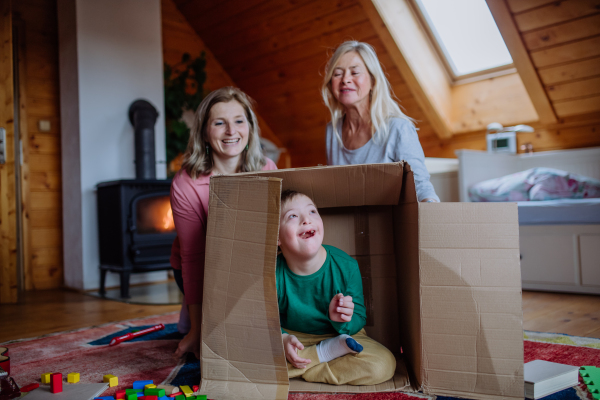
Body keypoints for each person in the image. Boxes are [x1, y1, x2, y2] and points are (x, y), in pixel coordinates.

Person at [170, 87, 277, 359]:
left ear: (250, 128)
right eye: (219, 123)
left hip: (251, 264)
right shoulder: (186, 183)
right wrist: (197, 329)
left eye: (239, 121)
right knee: (218, 340)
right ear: (205, 132)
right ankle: (193, 313)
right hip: (206, 266)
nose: (231, 131)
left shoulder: (267, 169)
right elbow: (192, 258)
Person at [277, 189, 396, 385]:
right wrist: (281, 338)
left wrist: (342, 320)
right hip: (294, 340)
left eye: (312, 212)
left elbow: (359, 317)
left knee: (383, 364)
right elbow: (264, 319)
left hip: (340, 337)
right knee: (244, 356)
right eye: (292, 216)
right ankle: (319, 356)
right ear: (277, 237)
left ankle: (306, 365)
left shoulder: (346, 265)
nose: (306, 220)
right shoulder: (272, 272)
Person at [322, 41, 439, 202]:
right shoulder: (332, 131)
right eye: (337, 74)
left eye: (355, 72)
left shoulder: (399, 129)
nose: (345, 80)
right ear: (330, 83)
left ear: (373, 81)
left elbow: (421, 187)